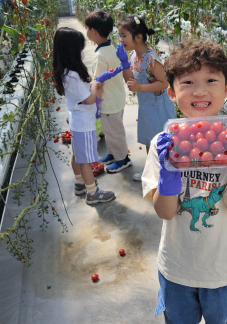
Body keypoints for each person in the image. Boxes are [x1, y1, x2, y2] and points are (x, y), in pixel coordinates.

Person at [141, 40, 227, 324]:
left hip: (225, 271)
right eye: (188, 82)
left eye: (211, 80)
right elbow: (166, 212)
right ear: (171, 92)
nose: (200, 90)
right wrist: (168, 172)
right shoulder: (163, 143)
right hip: (177, 268)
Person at [52, 27, 115, 205]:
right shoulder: (72, 75)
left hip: (76, 120)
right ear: (71, 51)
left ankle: (80, 183)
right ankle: (92, 193)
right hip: (84, 123)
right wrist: (95, 84)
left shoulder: (65, 71)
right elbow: (89, 99)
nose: (81, 53)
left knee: (77, 155)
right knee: (86, 160)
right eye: (79, 49)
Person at [119, 15, 176, 181]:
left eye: (124, 35)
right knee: (149, 141)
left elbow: (165, 83)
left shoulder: (151, 58)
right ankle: (153, 172)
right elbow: (129, 80)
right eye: (120, 36)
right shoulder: (133, 57)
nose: (121, 39)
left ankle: (164, 176)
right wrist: (124, 64)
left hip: (158, 108)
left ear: (138, 37)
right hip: (146, 107)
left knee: (161, 143)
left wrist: (140, 88)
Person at [85, 10, 132, 174]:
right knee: (112, 131)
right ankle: (113, 154)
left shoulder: (99, 55)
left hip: (108, 102)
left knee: (115, 132)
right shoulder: (112, 48)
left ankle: (122, 160)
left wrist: (96, 103)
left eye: (87, 29)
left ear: (94, 32)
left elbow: (99, 83)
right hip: (116, 97)